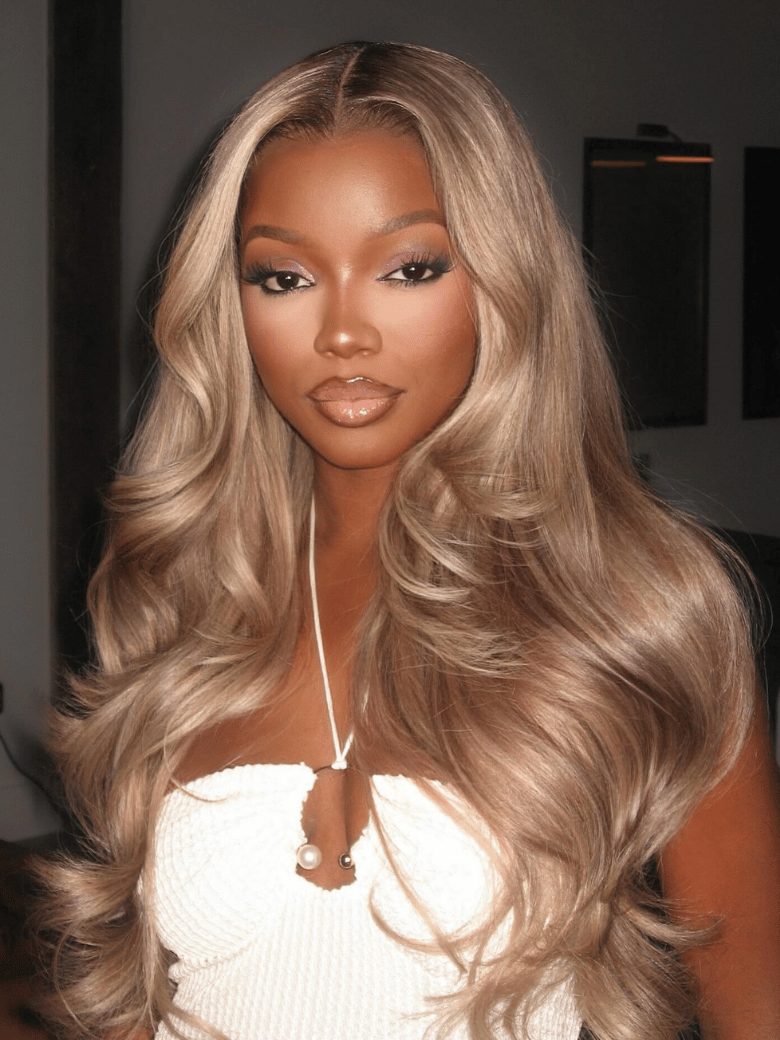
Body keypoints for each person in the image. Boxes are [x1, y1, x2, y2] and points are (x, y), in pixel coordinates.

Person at [37, 41, 780, 1040]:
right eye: (284, 275)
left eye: (409, 268)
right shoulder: (183, 589)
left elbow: (755, 1008)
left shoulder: (643, 606)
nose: (343, 331)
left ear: (503, 279)